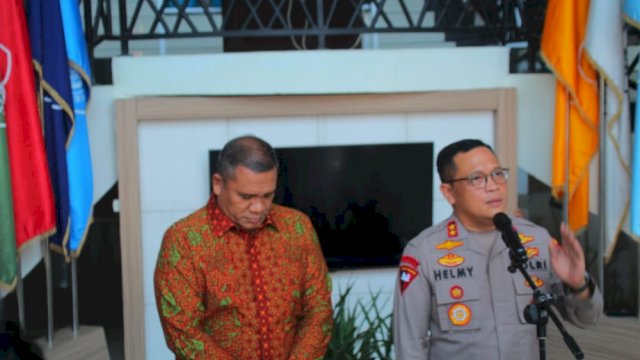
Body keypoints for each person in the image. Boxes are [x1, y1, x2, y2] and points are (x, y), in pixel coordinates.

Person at [392, 139, 603, 359]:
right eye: (477, 179)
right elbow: (410, 345)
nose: (493, 186)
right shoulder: (423, 252)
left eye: (498, 174)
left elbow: (587, 319)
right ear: (449, 192)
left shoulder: (538, 240)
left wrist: (579, 284)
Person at [154, 135, 333, 360]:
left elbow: (318, 310)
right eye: (246, 196)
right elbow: (181, 328)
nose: (259, 208)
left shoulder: (297, 227)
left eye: (268, 195)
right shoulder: (184, 240)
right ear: (218, 184)